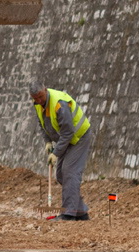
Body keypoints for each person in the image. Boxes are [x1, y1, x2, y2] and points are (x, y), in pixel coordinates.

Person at [29, 81, 94, 221]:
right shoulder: (38, 104)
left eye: (40, 97)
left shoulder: (59, 104)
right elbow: (42, 123)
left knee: (69, 172)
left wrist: (55, 153)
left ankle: (69, 214)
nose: (39, 100)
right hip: (66, 139)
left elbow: (68, 132)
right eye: (35, 98)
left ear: (45, 90)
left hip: (79, 137)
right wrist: (47, 141)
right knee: (60, 175)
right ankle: (80, 212)